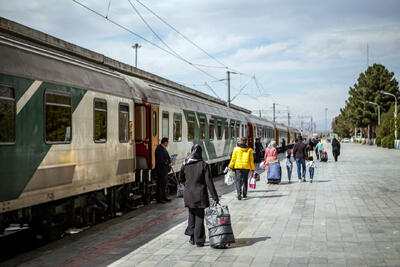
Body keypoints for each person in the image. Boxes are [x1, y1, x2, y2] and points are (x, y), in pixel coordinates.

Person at [179, 144, 219, 247]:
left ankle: (192, 237)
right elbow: (209, 182)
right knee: (199, 217)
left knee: (191, 215)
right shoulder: (203, 164)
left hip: (188, 194)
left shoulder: (185, 164)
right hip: (200, 195)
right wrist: (214, 197)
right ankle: (199, 240)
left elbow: (181, 178)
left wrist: (187, 184)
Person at [155, 137, 172, 203]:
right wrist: (168, 161)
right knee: (160, 184)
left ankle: (164, 197)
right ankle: (159, 199)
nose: (168, 144)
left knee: (164, 184)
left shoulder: (163, 149)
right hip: (161, 169)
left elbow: (166, 157)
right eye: (167, 142)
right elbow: (161, 160)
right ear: (165, 142)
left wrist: (169, 160)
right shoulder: (159, 149)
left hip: (164, 169)